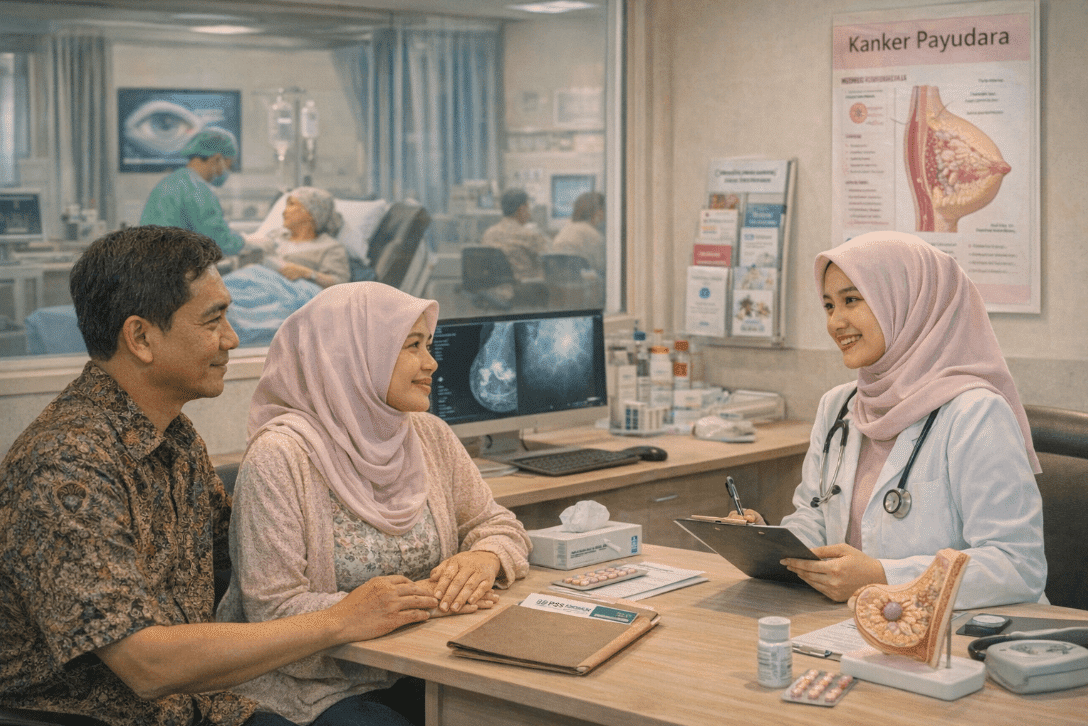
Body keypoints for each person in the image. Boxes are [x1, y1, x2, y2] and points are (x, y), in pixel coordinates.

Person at [0, 226, 443, 726]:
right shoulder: (64, 466)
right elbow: (147, 665)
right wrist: (340, 619)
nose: (231, 339)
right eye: (214, 321)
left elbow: (237, 561)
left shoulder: (174, 438)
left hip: (200, 701)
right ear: (141, 337)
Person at [216, 281, 531, 725]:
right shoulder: (280, 457)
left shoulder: (427, 434)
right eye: (412, 346)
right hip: (311, 687)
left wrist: (486, 556)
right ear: (353, 355)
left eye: (429, 345)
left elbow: (497, 523)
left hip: (419, 665)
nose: (432, 362)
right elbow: (272, 609)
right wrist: (420, 601)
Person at [731, 231, 1046, 610]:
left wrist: (884, 577)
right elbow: (814, 522)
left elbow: (1017, 567)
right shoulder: (839, 405)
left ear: (908, 302)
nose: (835, 322)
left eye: (852, 300)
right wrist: (768, 541)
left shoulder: (975, 413)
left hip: (958, 635)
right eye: (829, 306)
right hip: (856, 622)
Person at [140, 128, 245, 255]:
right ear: (217, 159)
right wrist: (246, 241)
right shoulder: (197, 190)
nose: (226, 172)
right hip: (174, 268)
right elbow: (219, 242)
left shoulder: (169, 182)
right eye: (229, 166)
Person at [255, 187, 350, 288]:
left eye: (291, 204)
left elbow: (340, 284)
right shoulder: (276, 236)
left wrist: (306, 273)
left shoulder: (330, 247)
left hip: (292, 292)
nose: (284, 212)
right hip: (261, 284)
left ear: (311, 213)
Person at [481, 188, 549, 281]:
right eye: (528, 207)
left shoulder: (488, 233)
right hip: (524, 291)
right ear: (522, 209)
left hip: (493, 292)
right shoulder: (529, 235)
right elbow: (551, 257)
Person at [552, 191, 605, 275]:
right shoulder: (595, 235)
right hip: (585, 285)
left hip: (559, 286)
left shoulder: (565, 229)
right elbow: (602, 268)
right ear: (599, 211)